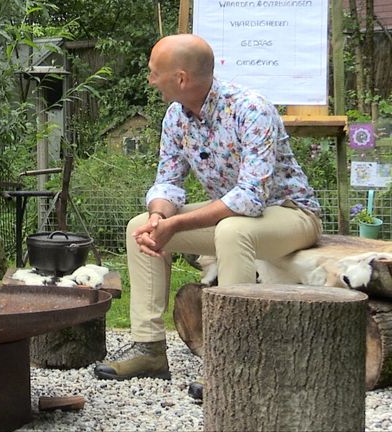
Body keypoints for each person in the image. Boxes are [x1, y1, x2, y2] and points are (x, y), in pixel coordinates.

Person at [93, 34, 322, 381]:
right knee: (139, 225)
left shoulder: (251, 109)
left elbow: (249, 197)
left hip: (291, 214)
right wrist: (159, 217)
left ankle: (232, 359)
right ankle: (149, 349)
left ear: (180, 78)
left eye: (155, 72)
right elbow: (168, 182)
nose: (150, 79)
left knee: (233, 230)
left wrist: (178, 226)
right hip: (237, 219)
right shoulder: (176, 117)